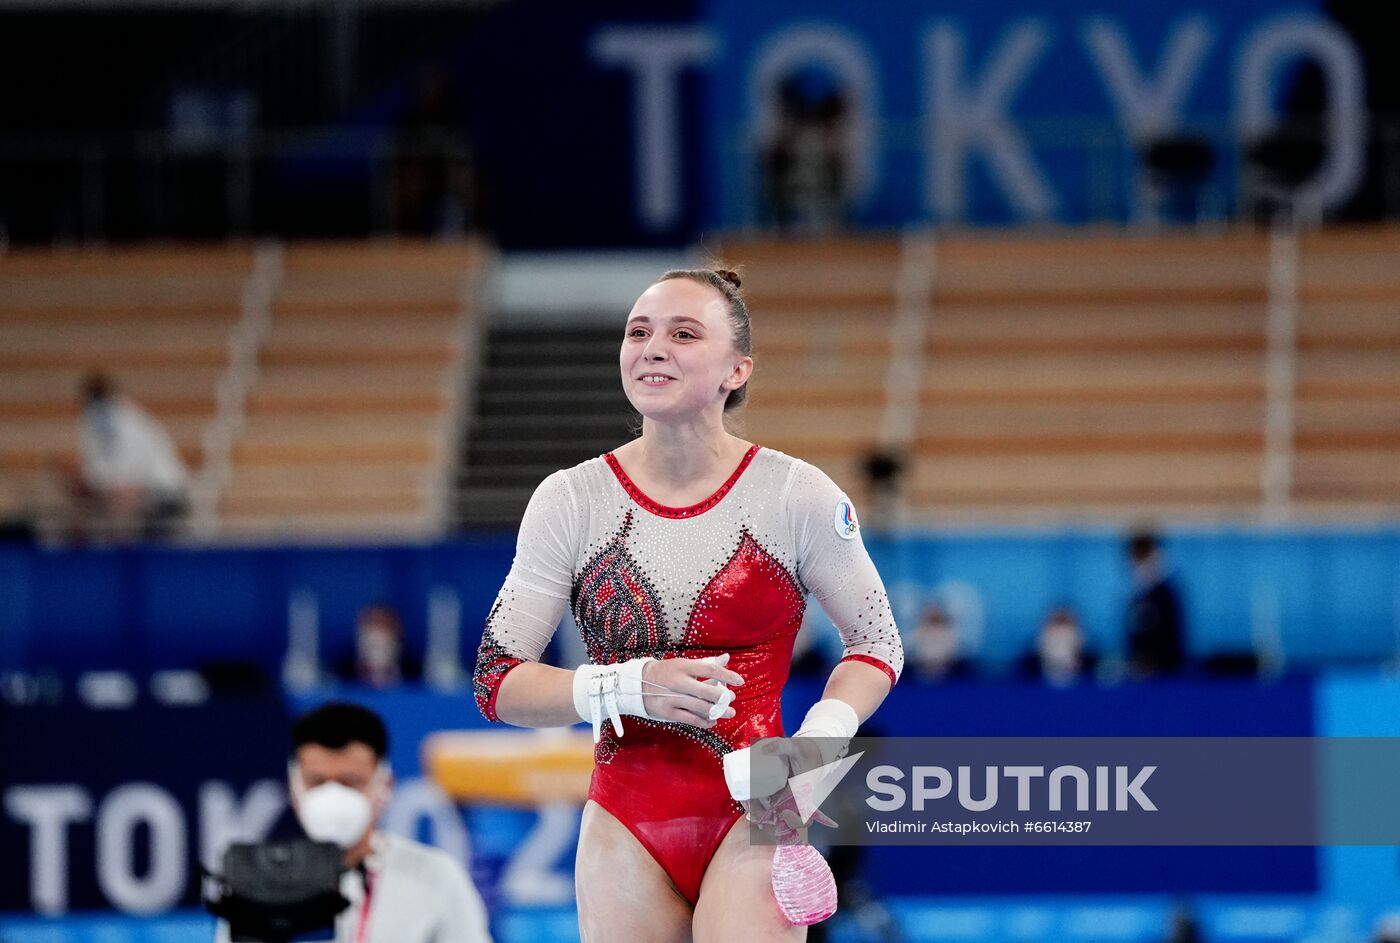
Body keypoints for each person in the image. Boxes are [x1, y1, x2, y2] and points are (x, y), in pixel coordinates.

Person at [471, 267, 903, 941]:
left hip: (759, 805)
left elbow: (877, 642)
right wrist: (626, 685)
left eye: (683, 333)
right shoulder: (571, 500)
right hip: (625, 816)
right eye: (638, 331)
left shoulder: (795, 494)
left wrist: (816, 740)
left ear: (737, 369)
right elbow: (496, 679)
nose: (653, 346)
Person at [216, 702, 492, 943]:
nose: (333, 796)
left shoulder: (436, 876)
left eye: (350, 783)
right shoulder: (257, 878)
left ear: (384, 786)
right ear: (293, 788)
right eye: (317, 782)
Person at [75, 372, 189, 539]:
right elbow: (99, 467)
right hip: (143, 491)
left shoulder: (130, 421)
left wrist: (111, 484)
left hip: (162, 490)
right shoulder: (94, 423)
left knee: (122, 499)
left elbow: (131, 470)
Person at [1125, 530, 1187, 678]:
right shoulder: (1137, 590)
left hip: (1164, 667)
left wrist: (1152, 660)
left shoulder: (1165, 592)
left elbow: (1169, 628)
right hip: (1144, 665)